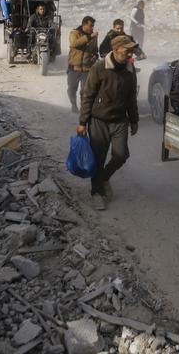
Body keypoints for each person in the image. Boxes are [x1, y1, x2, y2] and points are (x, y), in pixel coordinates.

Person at [78, 35, 140, 211]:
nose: (129, 53)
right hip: (98, 121)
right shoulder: (99, 68)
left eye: (131, 50)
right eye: (126, 49)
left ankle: (104, 178)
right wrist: (83, 122)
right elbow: (87, 95)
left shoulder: (130, 69)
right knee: (98, 158)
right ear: (116, 49)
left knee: (121, 155)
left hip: (120, 120)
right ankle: (96, 192)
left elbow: (131, 97)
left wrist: (134, 119)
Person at [67, 16, 99, 113]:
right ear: (84, 25)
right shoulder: (74, 33)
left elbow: (95, 50)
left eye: (93, 26)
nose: (92, 28)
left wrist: (95, 56)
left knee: (85, 91)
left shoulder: (93, 36)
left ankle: (83, 109)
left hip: (87, 68)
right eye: (90, 26)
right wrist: (89, 37)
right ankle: (73, 104)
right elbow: (74, 44)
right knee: (71, 90)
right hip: (74, 68)